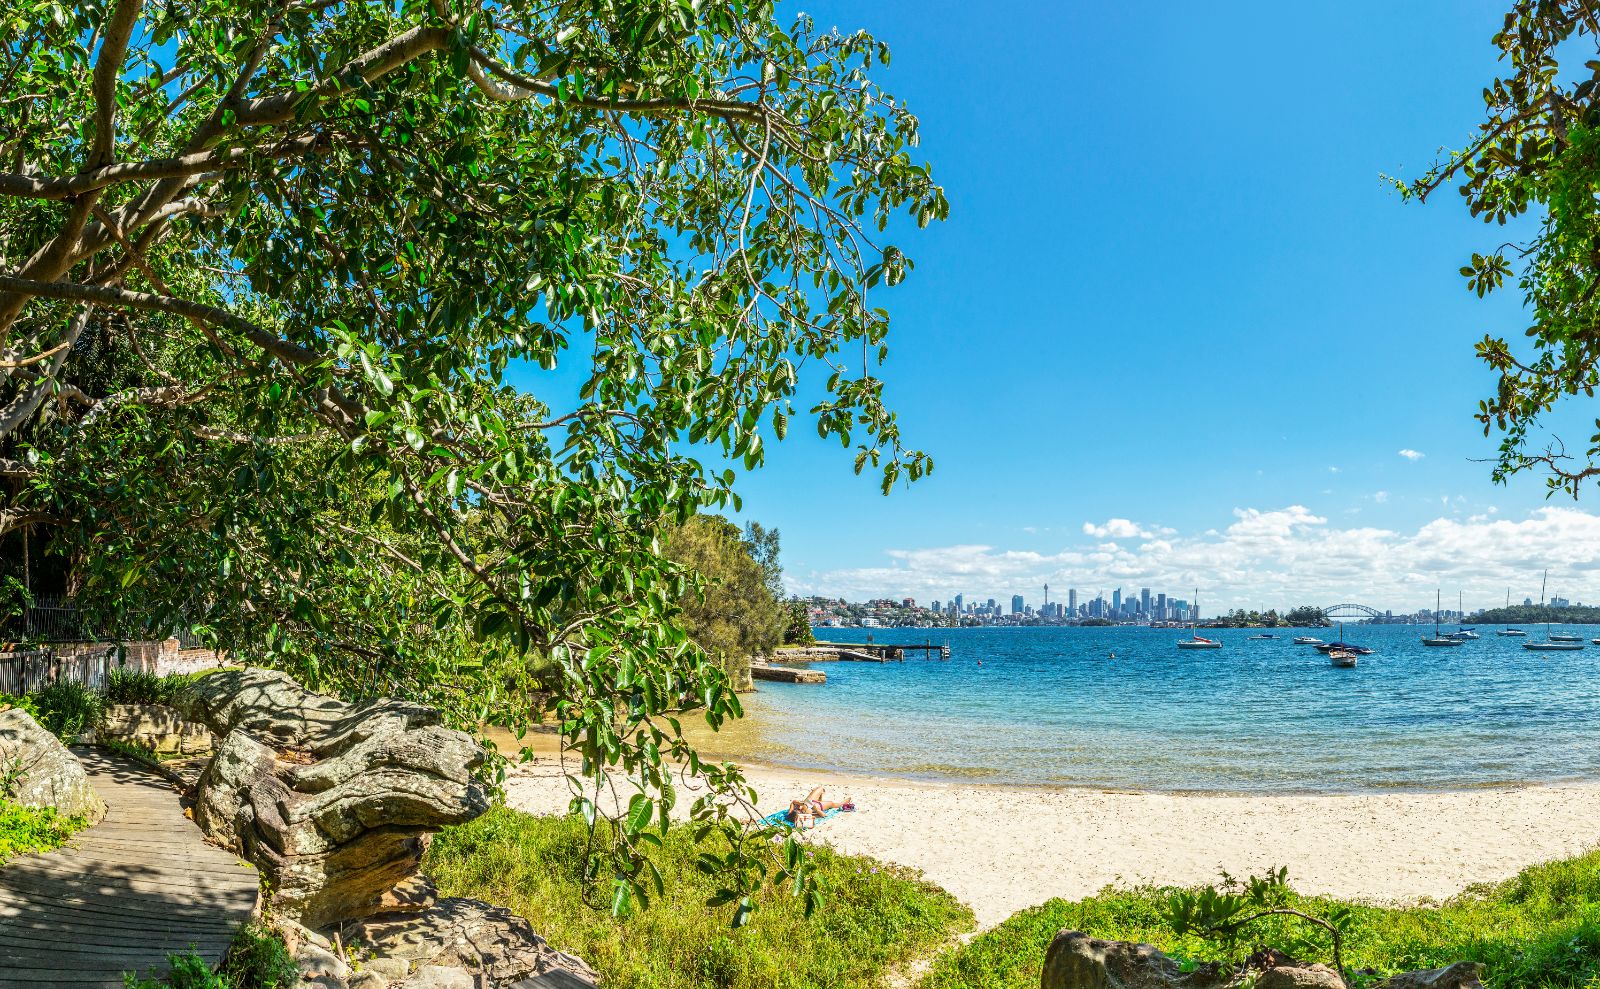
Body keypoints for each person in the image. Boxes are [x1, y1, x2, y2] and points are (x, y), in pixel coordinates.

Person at [785, 786, 853, 827]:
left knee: (820, 788)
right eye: (798, 812)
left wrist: (800, 803)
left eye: (797, 811)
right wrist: (816, 810)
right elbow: (824, 815)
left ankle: (820, 796)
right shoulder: (806, 815)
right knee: (835, 804)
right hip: (818, 806)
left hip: (809, 801)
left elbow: (793, 802)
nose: (797, 810)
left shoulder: (791, 813)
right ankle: (844, 802)